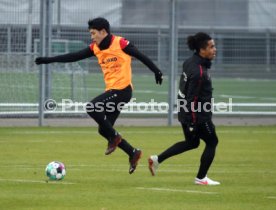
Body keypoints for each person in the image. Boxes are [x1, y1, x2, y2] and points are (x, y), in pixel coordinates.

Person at [35, 17, 163, 174]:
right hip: (113, 91)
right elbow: (73, 56)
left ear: (103, 31)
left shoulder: (120, 43)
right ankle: (133, 152)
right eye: (91, 33)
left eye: (93, 33)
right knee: (104, 130)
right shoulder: (95, 47)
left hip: (122, 90)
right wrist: (48, 60)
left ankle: (115, 138)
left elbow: (140, 55)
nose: (92, 36)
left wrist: (156, 71)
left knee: (92, 107)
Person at [148, 32, 220, 185]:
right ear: (202, 50)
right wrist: (193, 123)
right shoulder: (199, 72)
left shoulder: (190, 62)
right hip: (198, 115)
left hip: (184, 112)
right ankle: (201, 178)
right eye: (212, 47)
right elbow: (192, 99)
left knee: (192, 143)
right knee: (212, 142)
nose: (215, 49)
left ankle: (156, 160)